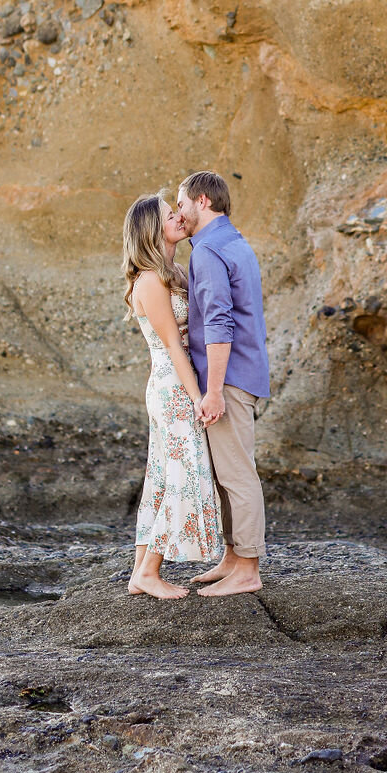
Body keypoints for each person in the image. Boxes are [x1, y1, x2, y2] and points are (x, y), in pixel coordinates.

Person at [121, 192, 223, 599]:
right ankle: (149, 571)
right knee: (180, 475)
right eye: (170, 215)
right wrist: (200, 396)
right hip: (173, 387)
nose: (180, 217)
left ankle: (139, 573)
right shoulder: (149, 279)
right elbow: (174, 347)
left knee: (163, 479)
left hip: (172, 385)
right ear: (152, 228)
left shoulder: (171, 272)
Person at [176, 170, 270, 597]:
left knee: (237, 475)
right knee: (225, 472)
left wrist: (212, 390)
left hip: (228, 377)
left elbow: (218, 321)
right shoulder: (234, 242)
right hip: (244, 371)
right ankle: (233, 558)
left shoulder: (210, 249)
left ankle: (248, 569)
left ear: (201, 200)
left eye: (181, 205)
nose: (178, 213)